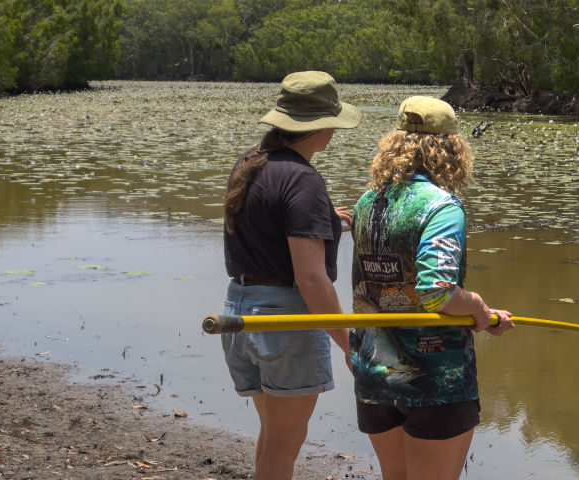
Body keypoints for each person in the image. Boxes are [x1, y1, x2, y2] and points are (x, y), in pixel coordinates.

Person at [350, 96, 514, 480]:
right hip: (435, 380)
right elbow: (437, 291)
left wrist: (477, 314)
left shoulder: (367, 201)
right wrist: (478, 307)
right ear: (451, 148)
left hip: (374, 374)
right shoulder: (442, 206)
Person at [220, 71, 361, 480]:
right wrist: (348, 342)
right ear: (322, 127)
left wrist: (325, 222)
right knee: (286, 442)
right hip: (285, 321)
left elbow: (266, 226)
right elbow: (311, 279)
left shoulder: (251, 161)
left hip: (240, 310)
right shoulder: (303, 179)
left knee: (275, 434)